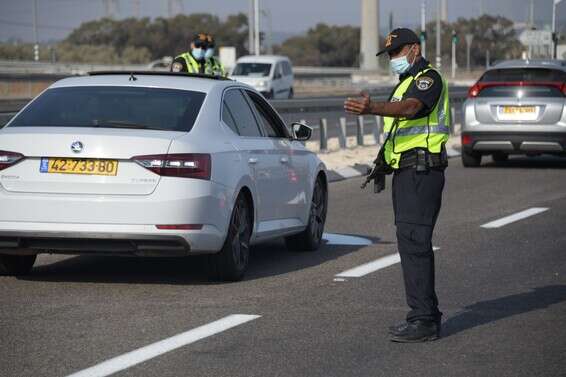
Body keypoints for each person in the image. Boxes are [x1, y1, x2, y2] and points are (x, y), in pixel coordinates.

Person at [344, 28, 450, 343]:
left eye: (397, 52)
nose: (393, 59)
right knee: (410, 243)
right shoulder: (404, 83)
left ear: (414, 49)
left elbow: (411, 109)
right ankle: (421, 315)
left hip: (422, 171)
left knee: (415, 243)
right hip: (407, 172)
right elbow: (399, 133)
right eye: (389, 54)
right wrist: (383, 164)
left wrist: (373, 108)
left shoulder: (427, 79)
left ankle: (425, 320)